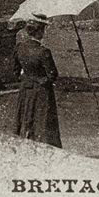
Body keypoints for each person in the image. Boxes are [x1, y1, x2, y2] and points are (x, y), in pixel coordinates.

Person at [13, 13, 62, 148]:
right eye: (43, 30)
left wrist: (26, 78)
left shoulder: (19, 47)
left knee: (25, 118)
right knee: (43, 122)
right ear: (39, 31)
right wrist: (42, 80)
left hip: (25, 90)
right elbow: (53, 74)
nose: (44, 33)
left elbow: (16, 71)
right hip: (41, 93)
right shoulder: (44, 52)